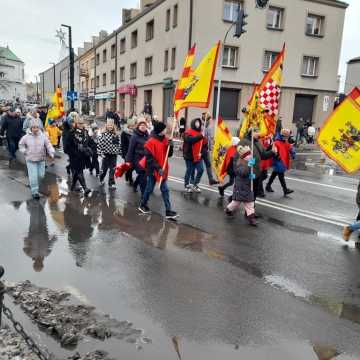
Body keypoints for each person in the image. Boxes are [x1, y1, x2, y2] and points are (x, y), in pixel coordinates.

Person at [138, 121, 178, 219]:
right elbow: (149, 159)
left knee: (165, 190)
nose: (166, 130)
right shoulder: (150, 141)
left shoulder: (165, 140)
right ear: (160, 130)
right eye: (164, 129)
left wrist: (171, 146)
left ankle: (168, 211)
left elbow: (169, 154)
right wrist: (158, 168)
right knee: (149, 188)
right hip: (153, 169)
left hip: (162, 169)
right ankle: (143, 204)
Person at [18, 118, 55, 199]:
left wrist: (51, 151)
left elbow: (48, 144)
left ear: (39, 127)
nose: (35, 129)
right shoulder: (26, 137)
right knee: (33, 176)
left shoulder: (43, 136)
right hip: (30, 160)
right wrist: (24, 151)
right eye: (33, 127)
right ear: (31, 128)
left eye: (37, 127)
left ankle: (35, 185)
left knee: (41, 175)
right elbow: (21, 144)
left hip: (41, 159)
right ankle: (34, 191)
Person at [239, 128, 276, 201]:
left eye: (259, 131)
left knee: (255, 189)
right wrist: (250, 162)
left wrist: (272, 152)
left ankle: (252, 203)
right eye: (256, 132)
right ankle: (237, 200)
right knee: (248, 188)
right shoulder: (245, 142)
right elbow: (241, 157)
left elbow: (263, 155)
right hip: (249, 170)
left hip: (257, 170)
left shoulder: (259, 142)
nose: (258, 133)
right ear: (251, 133)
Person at [225, 145, 257, 226]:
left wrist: (252, 176)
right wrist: (249, 165)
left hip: (248, 187)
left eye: (250, 154)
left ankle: (251, 219)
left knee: (250, 204)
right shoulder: (239, 164)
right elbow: (243, 173)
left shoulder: (249, 164)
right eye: (248, 154)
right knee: (235, 203)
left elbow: (249, 174)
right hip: (241, 187)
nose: (250, 156)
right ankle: (228, 210)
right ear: (244, 156)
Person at [66, 117, 92, 195]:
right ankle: (85, 188)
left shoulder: (85, 132)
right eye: (79, 123)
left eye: (82, 123)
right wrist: (74, 152)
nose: (81, 125)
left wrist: (90, 150)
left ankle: (73, 186)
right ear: (76, 124)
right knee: (79, 171)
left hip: (83, 156)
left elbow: (89, 142)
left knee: (77, 172)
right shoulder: (72, 133)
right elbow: (67, 146)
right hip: (75, 156)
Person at [266, 129, 295, 196]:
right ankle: (285, 189)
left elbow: (290, 148)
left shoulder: (285, 142)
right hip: (278, 161)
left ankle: (268, 186)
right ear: (282, 135)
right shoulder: (276, 142)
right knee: (281, 175)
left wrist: (293, 153)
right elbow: (272, 151)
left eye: (287, 136)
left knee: (275, 173)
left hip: (282, 161)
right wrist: (276, 155)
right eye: (286, 136)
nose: (287, 138)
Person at [126, 117, 149, 194]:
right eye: (141, 125)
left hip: (145, 159)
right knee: (143, 176)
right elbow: (130, 149)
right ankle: (143, 195)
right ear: (138, 126)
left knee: (143, 174)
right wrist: (128, 161)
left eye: (144, 125)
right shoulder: (134, 136)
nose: (143, 126)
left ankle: (135, 184)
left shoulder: (147, 136)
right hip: (137, 159)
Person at [97, 118, 121, 189]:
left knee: (112, 169)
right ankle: (101, 179)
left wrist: (120, 152)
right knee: (104, 170)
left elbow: (118, 145)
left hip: (113, 155)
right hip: (105, 155)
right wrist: (101, 153)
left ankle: (111, 183)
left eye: (111, 125)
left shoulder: (116, 135)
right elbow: (99, 145)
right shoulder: (103, 134)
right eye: (109, 125)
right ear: (106, 125)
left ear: (113, 126)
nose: (110, 126)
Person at [183, 118, 205, 193]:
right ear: (193, 123)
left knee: (201, 169)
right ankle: (186, 185)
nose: (197, 124)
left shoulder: (201, 133)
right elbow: (190, 140)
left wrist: (202, 152)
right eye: (196, 123)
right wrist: (200, 136)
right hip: (189, 156)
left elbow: (204, 145)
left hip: (198, 156)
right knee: (189, 171)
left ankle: (195, 184)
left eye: (199, 123)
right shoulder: (187, 132)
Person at [200, 112, 219, 186]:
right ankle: (192, 181)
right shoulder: (201, 127)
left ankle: (211, 179)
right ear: (206, 120)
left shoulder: (209, 127)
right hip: (200, 149)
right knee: (198, 167)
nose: (211, 120)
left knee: (208, 164)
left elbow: (210, 138)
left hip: (206, 149)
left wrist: (211, 148)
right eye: (209, 119)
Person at [121, 118, 135, 185]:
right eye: (131, 125)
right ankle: (130, 179)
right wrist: (124, 154)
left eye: (133, 125)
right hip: (127, 152)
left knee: (132, 167)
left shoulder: (135, 132)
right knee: (129, 166)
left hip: (134, 153)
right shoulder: (124, 133)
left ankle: (128, 174)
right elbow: (123, 144)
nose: (132, 127)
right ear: (128, 125)